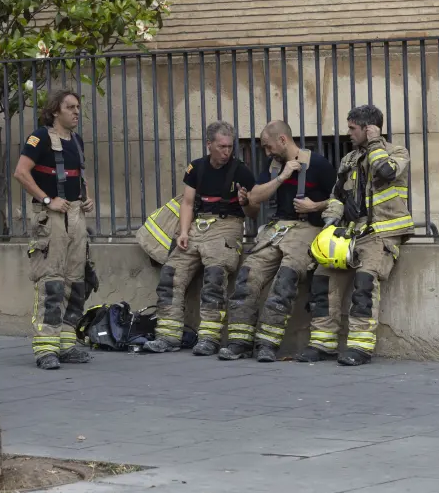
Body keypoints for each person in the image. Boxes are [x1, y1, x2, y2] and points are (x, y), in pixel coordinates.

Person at [298, 105, 412, 366]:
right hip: (350, 232)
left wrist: (374, 143)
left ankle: (360, 346)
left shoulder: (396, 152)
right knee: (323, 279)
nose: (348, 133)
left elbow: (387, 172)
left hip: (382, 232)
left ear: (369, 128)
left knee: (364, 283)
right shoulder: (348, 159)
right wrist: (330, 223)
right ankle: (322, 342)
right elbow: (337, 196)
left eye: (352, 128)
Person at [217, 120, 336, 362]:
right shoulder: (274, 166)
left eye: (268, 146)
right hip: (277, 229)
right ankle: (240, 341)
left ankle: (267, 344)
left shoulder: (319, 164)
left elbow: (339, 198)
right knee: (248, 275)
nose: (267, 152)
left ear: (283, 140)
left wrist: (315, 205)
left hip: (307, 228)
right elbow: (255, 197)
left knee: (285, 281)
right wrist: (282, 176)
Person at [142, 121, 257, 356]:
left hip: (228, 226)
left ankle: (209, 338)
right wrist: (183, 232)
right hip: (198, 225)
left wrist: (246, 202)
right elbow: (187, 202)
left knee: (215, 277)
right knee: (170, 274)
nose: (227, 151)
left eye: (230, 146)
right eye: (221, 146)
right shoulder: (196, 168)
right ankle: (167, 335)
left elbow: (254, 212)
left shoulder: (241, 171)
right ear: (209, 145)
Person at [13, 89, 95, 370]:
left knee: (76, 279)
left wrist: (86, 198)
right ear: (55, 111)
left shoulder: (76, 141)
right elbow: (21, 172)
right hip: (51, 217)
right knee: (51, 281)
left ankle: (67, 343)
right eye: (70, 107)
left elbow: (78, 175)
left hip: (75, 215)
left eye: (77, 107)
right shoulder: (40, 137)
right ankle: (46, 347)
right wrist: (48, 200)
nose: (76, 112)